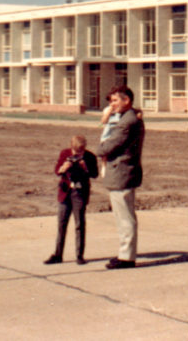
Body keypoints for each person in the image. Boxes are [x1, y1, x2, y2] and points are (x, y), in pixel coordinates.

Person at [96, 83, 145, 270]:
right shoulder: (127, 118)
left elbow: (110, 145)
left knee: (125, 218)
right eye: (111, 101)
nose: (112, 104)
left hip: (122, 172)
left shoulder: (127, 122)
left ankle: (127, 258)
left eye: (116, 100)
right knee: (123, 217)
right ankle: (125, 255)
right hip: (121, 172)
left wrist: (99, 149)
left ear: (127, 100)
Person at [44, 134, 98, 265]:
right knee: (61, 224)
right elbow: (57, 171)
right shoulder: (64, 153)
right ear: (71, 148)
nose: (78, 155)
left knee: (79, 224)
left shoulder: (90, 156)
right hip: (65, 192)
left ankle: (79, 255)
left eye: (81, 152)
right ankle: (58, 254)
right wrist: (63, 167)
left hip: (79, 193)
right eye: (76, 153)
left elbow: (95, 174)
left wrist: (85, 167)